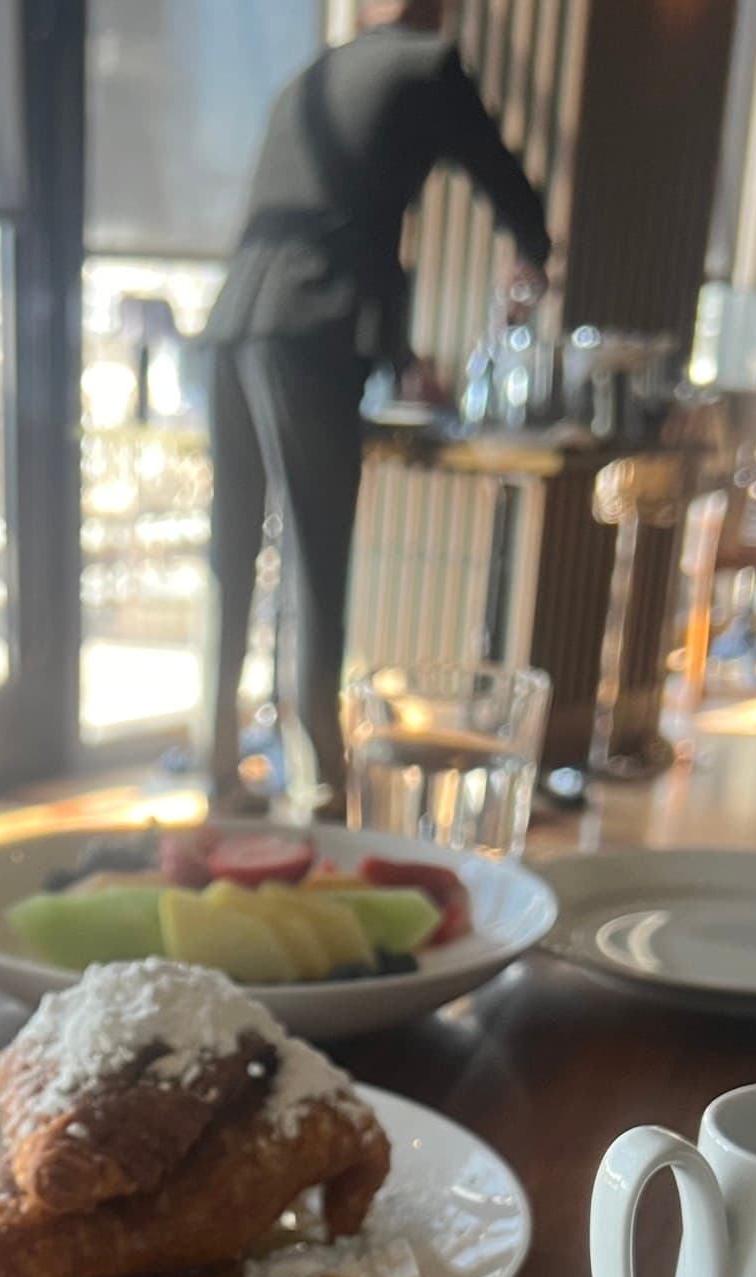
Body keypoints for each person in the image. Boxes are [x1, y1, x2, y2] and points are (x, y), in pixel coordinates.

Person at [201, 0, 551, 813]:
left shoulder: (309, 77)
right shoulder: (429, 67)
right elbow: (507, 191)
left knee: (230, 560)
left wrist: (398, 356)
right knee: (317, 568)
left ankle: (217, 765)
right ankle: (319, 784)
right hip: (309, 331)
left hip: (230, 325)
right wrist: (530, 259)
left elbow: (338, 216)